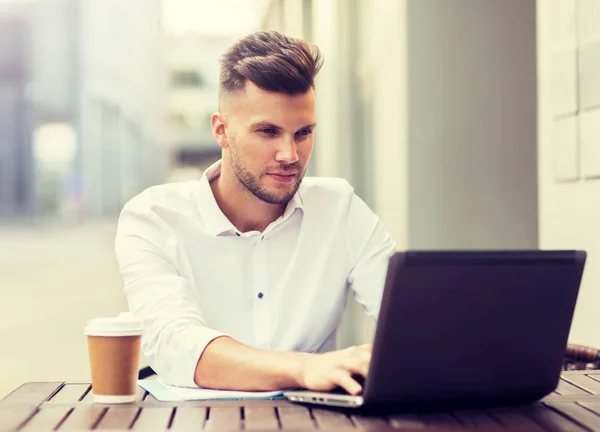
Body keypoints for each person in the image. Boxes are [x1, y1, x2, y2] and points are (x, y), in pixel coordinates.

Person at [115, 31, 395, 396]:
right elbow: (176, 345)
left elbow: (415, 324)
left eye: (303, 132)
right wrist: (306, 367)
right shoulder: (152, 218)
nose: (289, 154)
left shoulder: (340, 208)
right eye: (268, 131)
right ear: (222, 130)